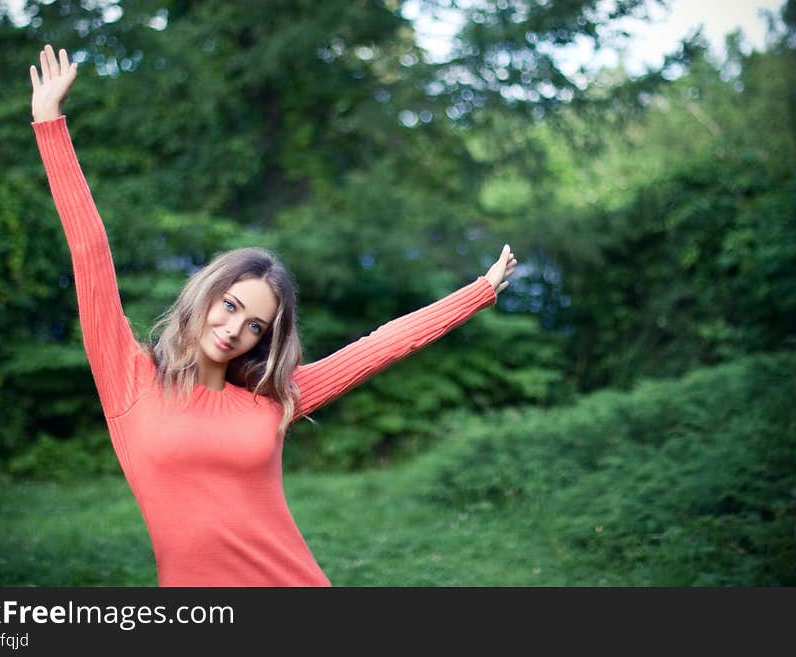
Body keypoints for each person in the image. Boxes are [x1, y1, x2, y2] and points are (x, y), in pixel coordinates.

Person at [29, 44, 517, 586]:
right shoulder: (130, 379)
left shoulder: (273, 400)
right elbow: (90, 251)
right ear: (207, 294)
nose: (235, 329)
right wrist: (49, 122)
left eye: (255, 326)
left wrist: (481, 290)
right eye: (231, 306)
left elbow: (378, 346)